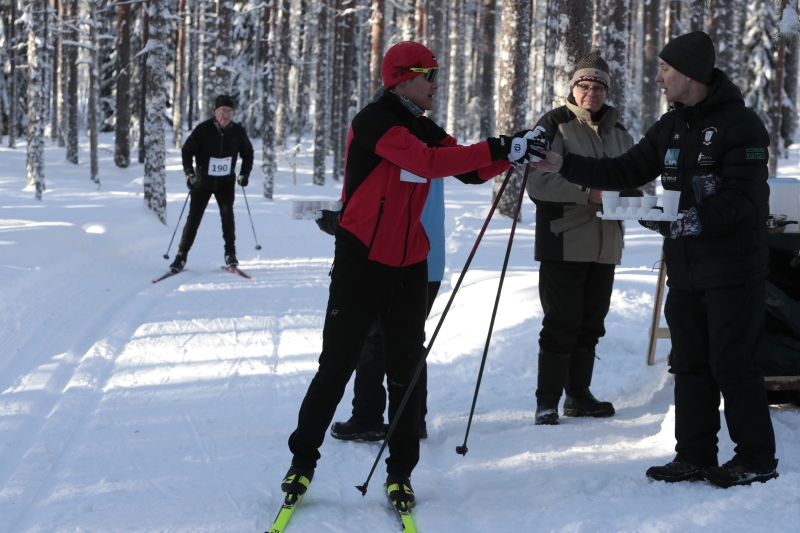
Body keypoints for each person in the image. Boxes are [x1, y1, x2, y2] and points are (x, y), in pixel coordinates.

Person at [280, 41, 545, 506]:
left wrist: (512, 151)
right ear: (403, 77)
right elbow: (426, 162)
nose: (436, 84)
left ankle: (400, 472)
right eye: (430, 75)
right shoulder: (375, 121)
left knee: (406, 369)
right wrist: (502, 145)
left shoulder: (422, 126)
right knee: (337, 364)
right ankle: (302, 463)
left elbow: (468, 170)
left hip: (409, 265)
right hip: (361, 260)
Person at [531, 31, 778, 488]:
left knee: (733, 364)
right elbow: (624, 169)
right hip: (685, 270)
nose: (658, 78)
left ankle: (757, 458)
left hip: (732, 270)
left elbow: (745, 198)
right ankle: (695, 454)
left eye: (665, 69)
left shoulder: (741, 124)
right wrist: (561, 164)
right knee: (688, 364)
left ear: (687, 73)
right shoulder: (672, 126)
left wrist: (689, 220)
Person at [526, 49, 636, 425]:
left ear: (608, 92)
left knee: (592, 322)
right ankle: (547, 401)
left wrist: (635, 199)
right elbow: (539, 182)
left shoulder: (621, 133)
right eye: (584, 85)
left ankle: (578, 396)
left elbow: (632, 179)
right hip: (564, 239)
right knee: (561, 322)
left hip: (606, 243)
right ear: (573, 88)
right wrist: (588, 193)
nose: (591, 92)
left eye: (599, 87)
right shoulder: (554, 124)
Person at [170, 95, 254, 272]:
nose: (226, 115)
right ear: (215, 112)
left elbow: (248, 153)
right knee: (193, 219)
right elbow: (187, 151)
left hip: (225, 183)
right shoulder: (203, 130)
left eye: (229, 111)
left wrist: (244, 174)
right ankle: (181, 256)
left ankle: (230, 254)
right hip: (202, 182)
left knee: (227, 217)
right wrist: (189, 174)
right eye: (222, 110)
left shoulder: (238, 132)